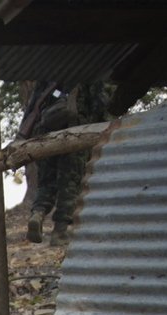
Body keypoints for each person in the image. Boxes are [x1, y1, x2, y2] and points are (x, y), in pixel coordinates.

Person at [20, 81, 109, 246]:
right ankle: (59, 232)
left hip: (47, 136)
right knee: (69, 186)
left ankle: (37, 214)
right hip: (76, 136)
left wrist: (23, 135)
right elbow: (100, 107)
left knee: (47, 183)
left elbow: (32, 108)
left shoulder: (48, 78)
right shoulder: (89, 77)